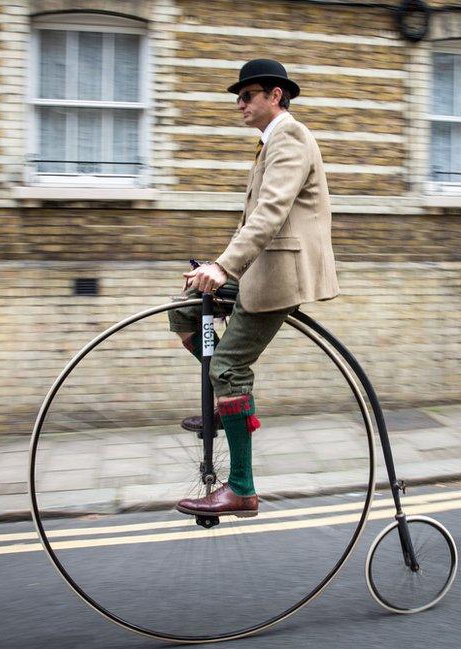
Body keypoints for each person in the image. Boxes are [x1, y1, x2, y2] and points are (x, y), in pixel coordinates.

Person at [168, 59, 339, 516]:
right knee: (184, 307)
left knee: (227, 366)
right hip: (260, 267)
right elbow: (256, 220)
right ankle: (233, 409)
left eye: (248, 95)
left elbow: (271, 212)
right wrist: (214, 268)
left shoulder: (291, 136)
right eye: (237, 98)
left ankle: (241, 488)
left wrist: (223, 267)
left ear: (275, 96)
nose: (240, 104)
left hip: (280, 275)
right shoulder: (270, 143)